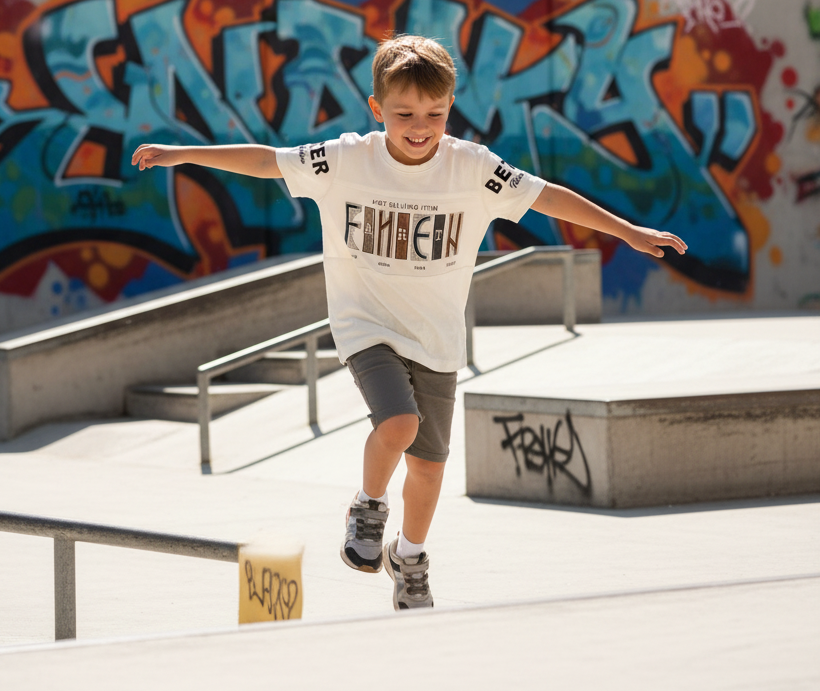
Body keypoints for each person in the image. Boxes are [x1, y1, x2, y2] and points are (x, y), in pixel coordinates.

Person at [132, 34, 686, 612]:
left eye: (434, 115)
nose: (420, 127)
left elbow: (549, 198)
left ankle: (410, 555)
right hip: (365, 325)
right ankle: (368, 508)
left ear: (451, 108)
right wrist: (183, 154)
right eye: (404, 115)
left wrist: (628, 231)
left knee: (427, 467)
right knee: (397, 424)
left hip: (436, 339)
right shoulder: (346, 159)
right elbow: (267, 162)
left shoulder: (473, 168)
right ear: (376, 110)